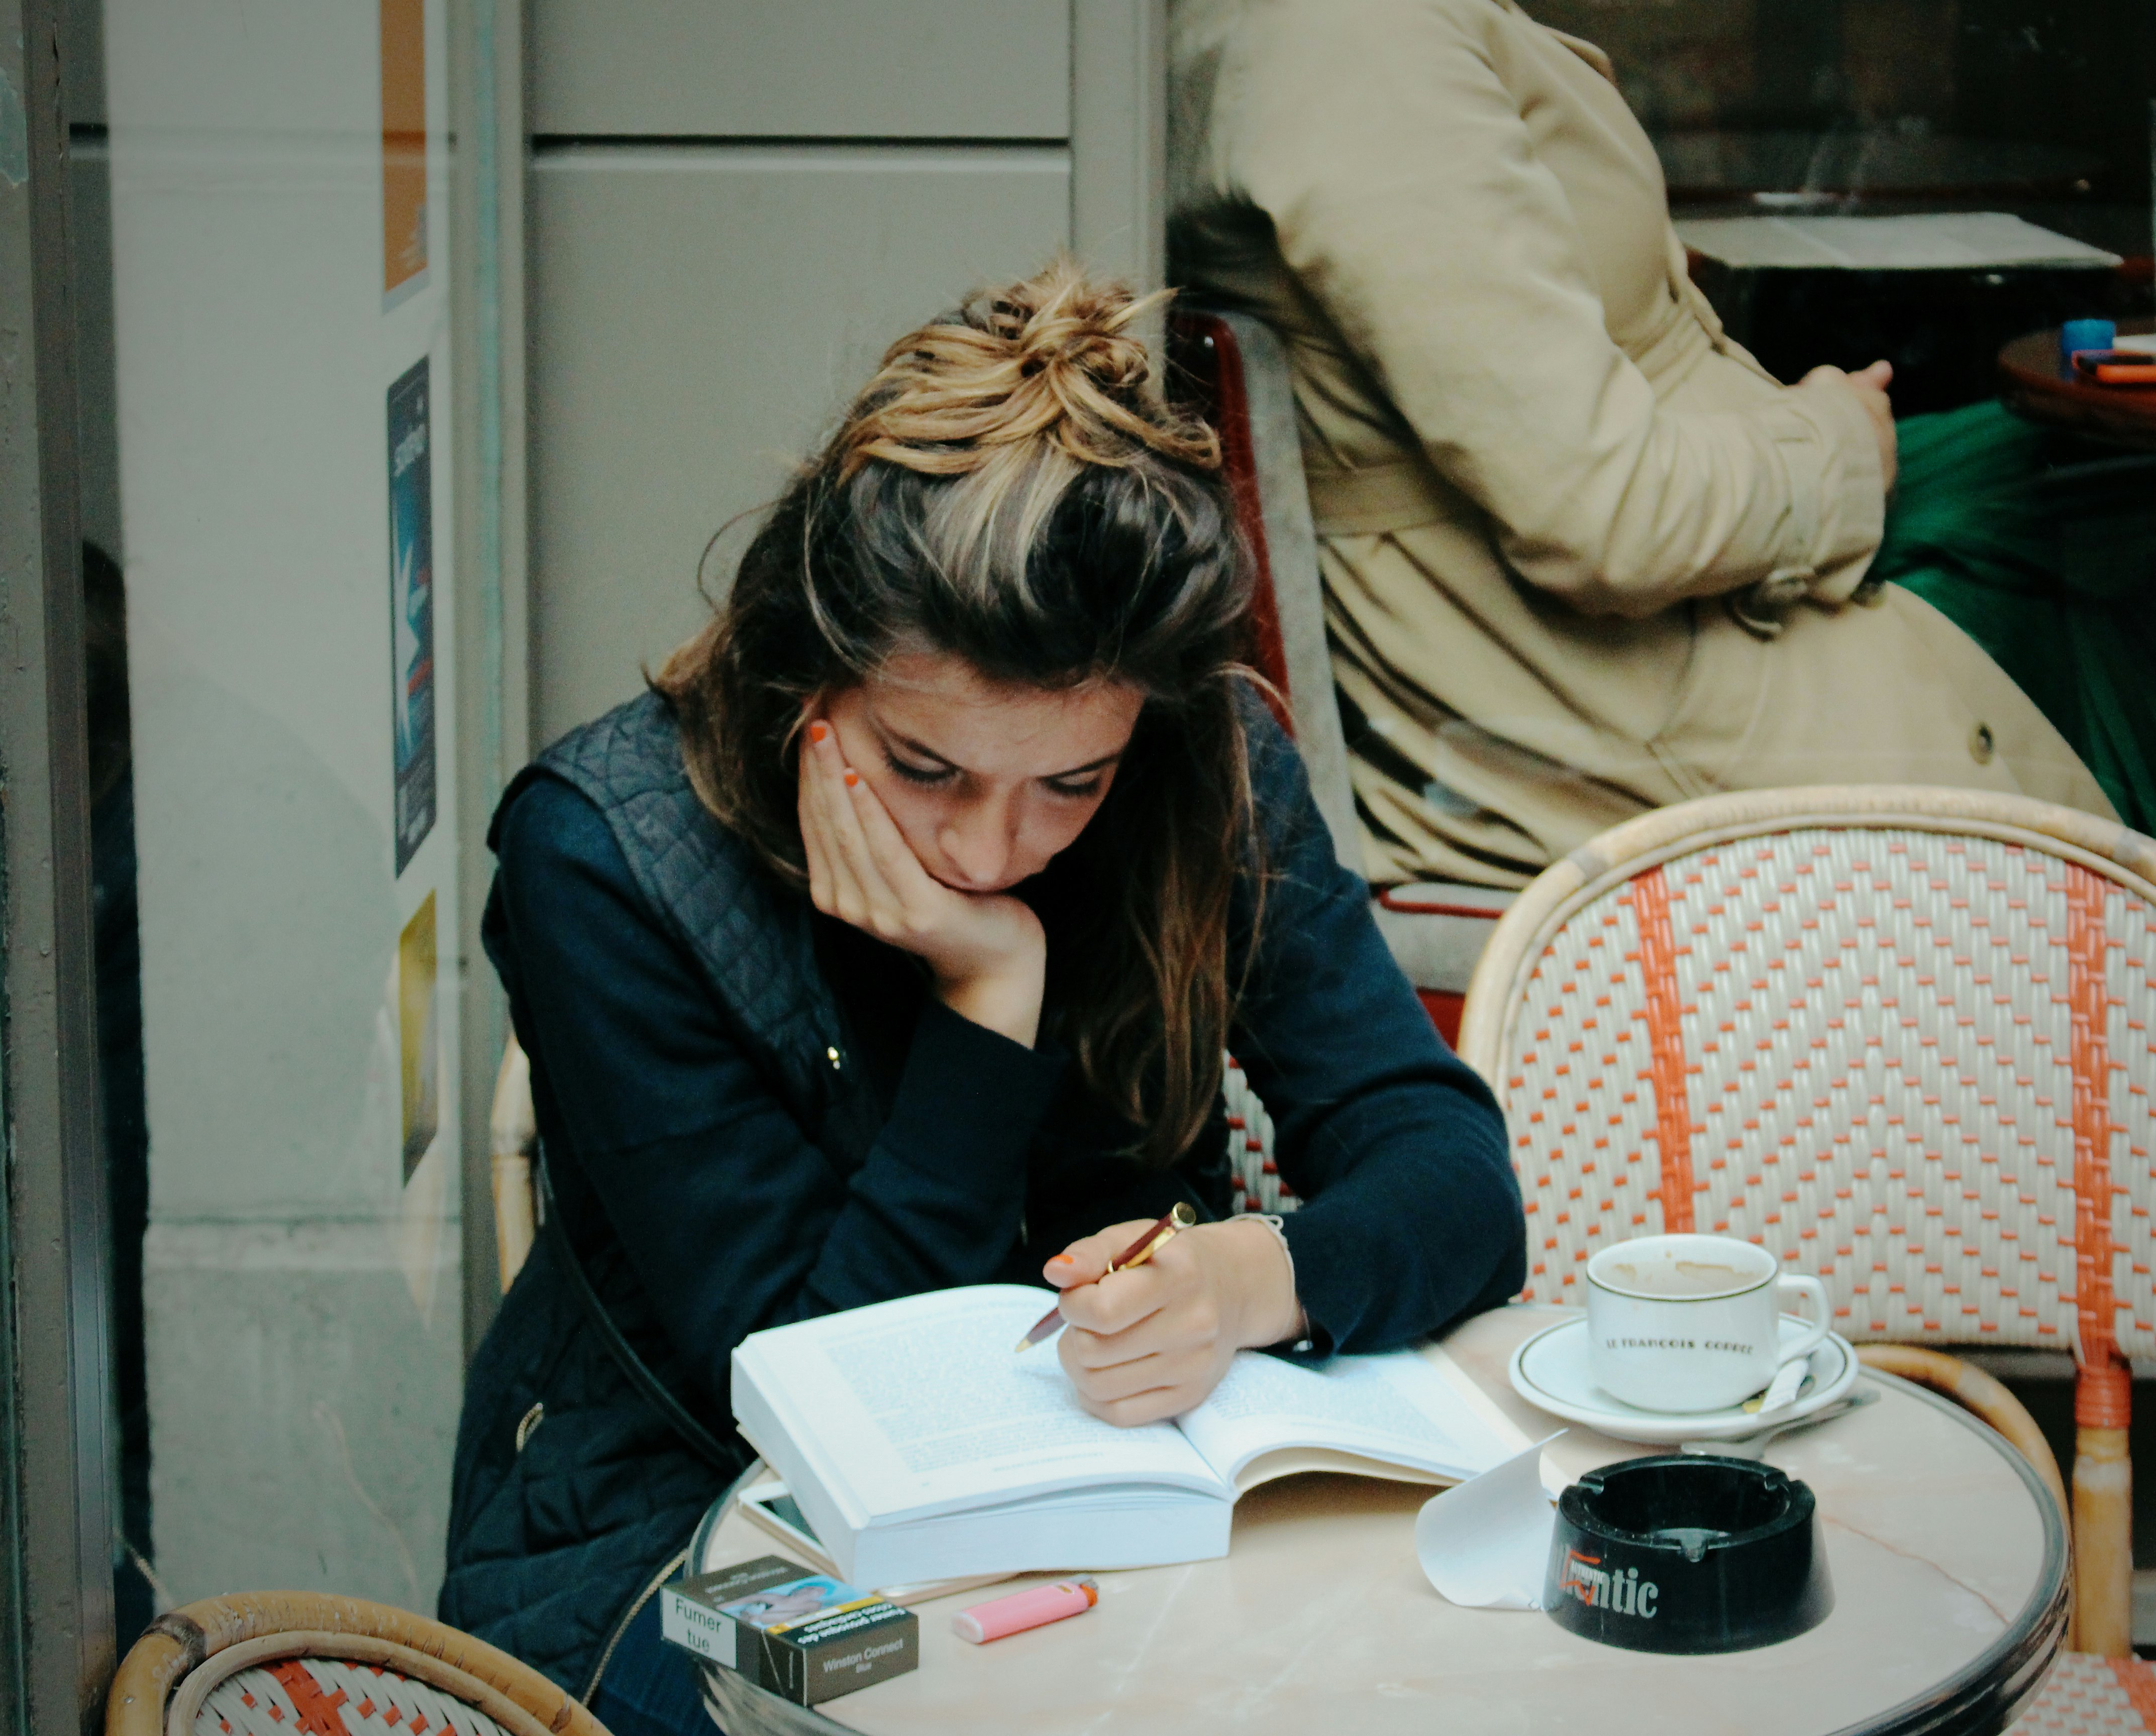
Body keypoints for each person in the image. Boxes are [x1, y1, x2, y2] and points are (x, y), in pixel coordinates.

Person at [438, 264, 1525, 1728]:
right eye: (926, 768)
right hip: (688, 1524)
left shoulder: (1205, 764)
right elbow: (811, 1389)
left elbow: (1452, 1174)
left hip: (1132, 1492)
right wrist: (986, 994)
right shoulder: (607, 855)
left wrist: (1248, 1282)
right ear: (802, 669)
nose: (988, 847)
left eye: (1071, 782)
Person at [1168, 0, 2156, 888]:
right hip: (1600, 667)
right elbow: (1601, 515)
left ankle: (2155, 924)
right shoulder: (1350, 43)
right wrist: (1836, 453)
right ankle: (2142, 968)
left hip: (1677, 531)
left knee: (2130, 490)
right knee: (2121, 520)